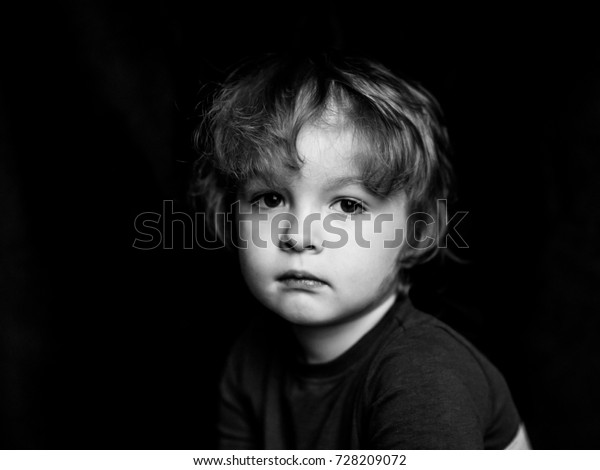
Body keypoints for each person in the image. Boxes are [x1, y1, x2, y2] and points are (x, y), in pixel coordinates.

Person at [190, 51, 530, 449]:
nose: (299, 236)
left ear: (415, 233)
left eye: (349, 205)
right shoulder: (251, 357)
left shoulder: (423, 376)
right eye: (269, 199)